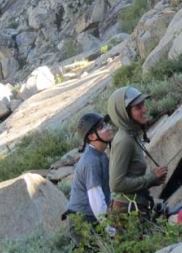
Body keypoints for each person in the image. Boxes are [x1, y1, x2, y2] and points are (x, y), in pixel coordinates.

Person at [107, 86, 167, 219]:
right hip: (127, 214)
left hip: (134, 210)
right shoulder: (124, 141)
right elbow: (116, 184)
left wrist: (153, 181)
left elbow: (130, 176)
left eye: (143, 105)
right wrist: (150, 178)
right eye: (138, 107)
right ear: (125, 114)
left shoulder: (131, 135)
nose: (144, 109)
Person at [64, 112, 114, 245]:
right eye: (101, 127)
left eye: (106, 124)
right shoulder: (91, 161)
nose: (108, 127)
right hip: (83, 221)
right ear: (91, 136)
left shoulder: (100, 155)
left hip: (91, 217)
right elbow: (96, 199)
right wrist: (110, 229)